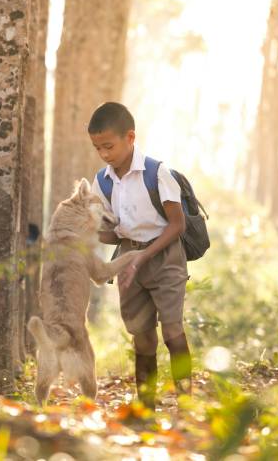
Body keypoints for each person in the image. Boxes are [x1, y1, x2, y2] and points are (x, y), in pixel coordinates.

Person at [88, 101, 192, 409]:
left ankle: (187, 403)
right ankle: (146, 406)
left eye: (109, 146)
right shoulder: (102, 181)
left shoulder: (156, 173)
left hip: (165, 256)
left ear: (130, 137)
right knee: (143, 337)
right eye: (97, 148)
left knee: (172, 330)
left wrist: (144, 257)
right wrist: (86, 232)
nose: (104, 154)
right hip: (128, 260)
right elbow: (109, 232)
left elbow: (177, 224)